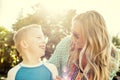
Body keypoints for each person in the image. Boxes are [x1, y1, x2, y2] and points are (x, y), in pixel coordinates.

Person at [49, 10, 119, 80]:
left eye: (76, 36)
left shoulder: (110, 56)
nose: (72, 39)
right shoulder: (67, 43)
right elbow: (49, 68)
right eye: (72, 32)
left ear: (91, 38)